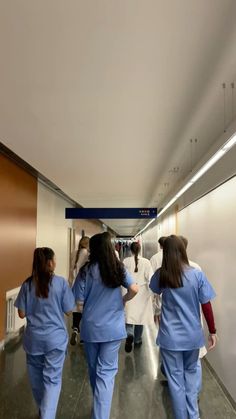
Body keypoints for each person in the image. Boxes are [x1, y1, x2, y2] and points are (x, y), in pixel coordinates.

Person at [150, 235, 217, 419]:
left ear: (165, 252)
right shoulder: (196, 274)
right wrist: (212, 331)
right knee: (191, 377)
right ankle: (193, 415)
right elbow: (206, 305)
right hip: (192, 337)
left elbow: (153, 289)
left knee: (176, 382)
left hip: (170, 338)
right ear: (183, 250)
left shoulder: (162, 275)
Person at [73, 233, 138, 419]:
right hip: (113, 329)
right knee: (106, 373)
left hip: (91, 328)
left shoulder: (85, 271)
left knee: (94, 370)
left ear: (93, 249)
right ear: (110, 248)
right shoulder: (117, 268)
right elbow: (134, 289)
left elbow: (78, 301)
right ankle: (101, 410)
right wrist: (123, 299)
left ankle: (99, 409)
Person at [14, 247, 75, 419]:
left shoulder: (27, 284)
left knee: (36, 381)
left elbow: (21, 313)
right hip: (55, 340)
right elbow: (69, 310)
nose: (55, 263)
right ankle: (47, 414)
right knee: (52, 380)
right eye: (54, 260)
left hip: (33, 340)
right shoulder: (61, 283)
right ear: (49, 263)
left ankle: (44, 410)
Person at [179, 235, 207, 395]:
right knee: (194, 360)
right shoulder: (196, 267)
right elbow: (204, 298)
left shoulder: (169, 268)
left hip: (176, 322)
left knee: (179, 359)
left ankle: (183, 390)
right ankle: (193, 393)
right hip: (193, 319)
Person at [123, 242, 154, 352]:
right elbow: (150, 278)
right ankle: (137, 339)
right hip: (142, 292)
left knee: (129, 315)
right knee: (140, 318)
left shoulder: (126, 261)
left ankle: (129, 333)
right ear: (140, 250)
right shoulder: (146, 262)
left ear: (130, 250)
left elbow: (122, 277)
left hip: (129, 290)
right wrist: (152, 293)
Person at [69, 236, 90, 345]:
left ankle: (75, 329)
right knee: (85, 312)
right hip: (84, 285)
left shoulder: (74, 253)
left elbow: (71, 270)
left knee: (76, 311)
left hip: (74, 286)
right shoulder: (87, 254)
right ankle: (83, 338)